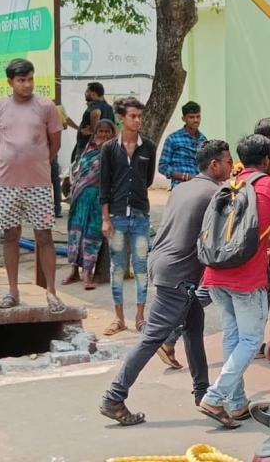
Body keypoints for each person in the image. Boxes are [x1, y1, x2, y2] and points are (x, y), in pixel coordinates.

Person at [99, 139, 235, 426]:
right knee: (152, 338)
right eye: (227, 161)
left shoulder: (181, 188)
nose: (231, 166)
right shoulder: (218, 192)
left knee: (194, 329)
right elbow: (222, 237)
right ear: (214, 164)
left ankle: (203, 394)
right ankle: (113, 397)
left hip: (164, 265)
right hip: (180, 273)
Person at [197, 134, 270, 428]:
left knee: (233, 336)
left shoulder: (228, 186)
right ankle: (214, 397)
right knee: (250, 339)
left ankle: (236, 404)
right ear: (267, 161)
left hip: (214, 275)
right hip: (246, 279)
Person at [0, 59, 65, 313]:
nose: (27, 84)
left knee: (44, 236)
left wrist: (36, 162)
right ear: (10, 82)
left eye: (30, 79)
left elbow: (55, 143)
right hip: (7, 184)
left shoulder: (46, 106)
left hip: (39, 184)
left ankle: (51, 293)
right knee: (10, 236)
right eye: (21, 80)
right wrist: (14, 161)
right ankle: (13, 291)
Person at [100, 97, 156, 335]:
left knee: (142, 267)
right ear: (121, 119)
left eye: (139, 116)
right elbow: (104, 186)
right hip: (117, 216)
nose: (137, 120)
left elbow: (149, 180)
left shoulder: (149, 148)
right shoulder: (109, 149)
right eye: (132, 116)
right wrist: (106, 218)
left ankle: (140, 317)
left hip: (141, 215)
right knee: (117, 268)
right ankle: (118, 318)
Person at [63, 119, 117, 289]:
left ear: (113, 133)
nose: (103, 135)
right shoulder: (89, 148)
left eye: (107, 132)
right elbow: (80, 171)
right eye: (100, 131)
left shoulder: (115, 151)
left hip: (98, 200)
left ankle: (87, 274)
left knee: (92, 237)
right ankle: (73, 271)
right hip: (79, 198)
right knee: (75, 234)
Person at [159, 101, 207, 189]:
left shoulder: (203, 139)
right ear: (183, 119)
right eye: (191, 117)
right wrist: (184, 176)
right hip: (180, 186)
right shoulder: (172, 139)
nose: (196, 120)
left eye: (198, 116)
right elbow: (162, 166)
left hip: (200, 186)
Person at [73, 82, 114, 162]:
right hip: (103, 146)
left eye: (87, 91)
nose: (85, 93)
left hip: (89, 147)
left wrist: (92, 129)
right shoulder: (108, 107)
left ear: (94, 93)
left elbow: (96, 113)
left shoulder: (95, 105)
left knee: (85, 170)